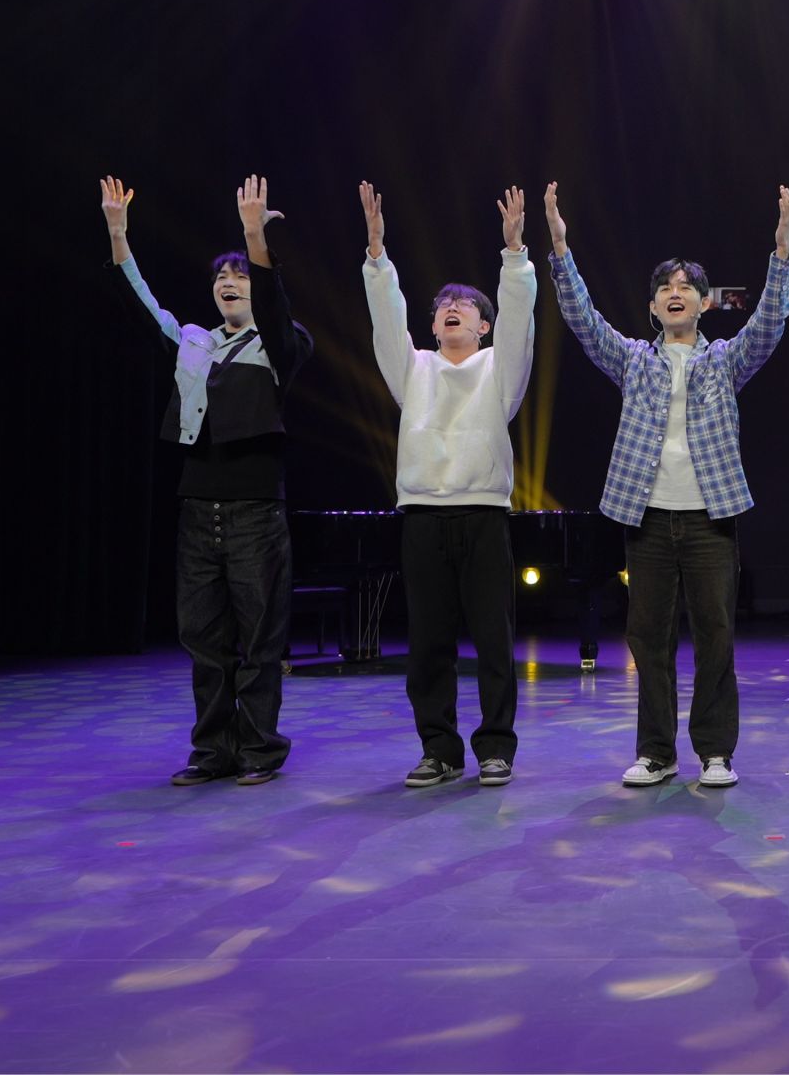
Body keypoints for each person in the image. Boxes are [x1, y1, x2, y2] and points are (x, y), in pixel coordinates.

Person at [542, 182, 789, 789]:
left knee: (716, 636)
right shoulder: (634, 358)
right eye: (665, 287)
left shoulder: (724, 359)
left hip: (710, 516)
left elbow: (768, 324)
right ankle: (656, 752)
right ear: (653, 307)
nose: (675, 292)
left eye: (686, 287)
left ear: (704, 303)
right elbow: (583, 321)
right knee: (647, 639)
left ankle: (715, 752)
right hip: (648, 517)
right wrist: (560, 249)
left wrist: (782, 253)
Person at [100, 174, 313, 787]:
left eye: (239, 274)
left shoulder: (281, 344)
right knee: (202, 637)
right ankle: (213, 749)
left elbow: (276, 310)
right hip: (198, 508)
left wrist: (254, 238)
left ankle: (260, 748)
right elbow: (141, 308)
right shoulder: (193, 342)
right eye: (221, 275)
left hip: (254, 512)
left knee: (259, 638)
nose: (228, 281)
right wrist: (118, 235)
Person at [359, 182, 536, 788]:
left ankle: (495, 748)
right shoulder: (414, 369)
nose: (451, 308)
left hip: (484, 515)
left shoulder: (498, 371)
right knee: (428, 644)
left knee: (493, 641)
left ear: (484, 326)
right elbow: (386, 323)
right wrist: (378, 257)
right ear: (433, 324)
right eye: (442, 305)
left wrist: (514, 255)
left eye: (464, 305)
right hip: (422, 517)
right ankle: (438, 749)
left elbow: (520, 321)